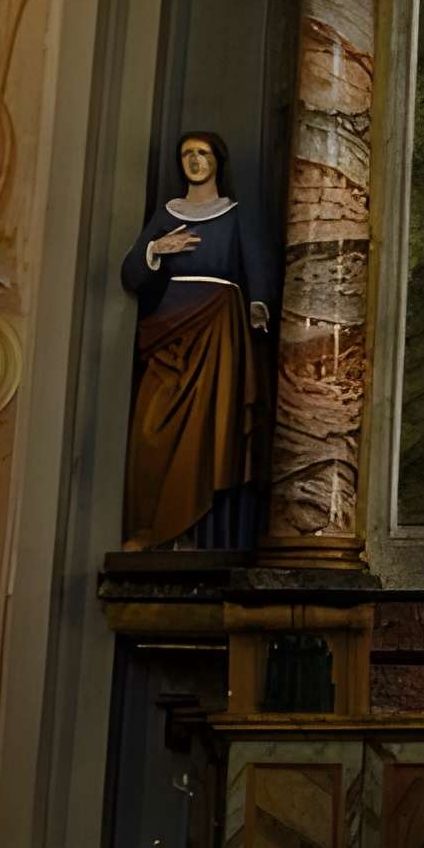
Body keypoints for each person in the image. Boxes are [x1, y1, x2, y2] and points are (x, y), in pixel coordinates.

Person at [121, 132, 274, 551]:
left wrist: (258, 303)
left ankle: (197, 531)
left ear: (217, 161)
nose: (194, 160)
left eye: (202, 153)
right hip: (169, 325)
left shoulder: (235, 214)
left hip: (217, 327)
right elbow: (132, 275)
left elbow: (256, 265)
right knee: (153, 426)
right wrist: (157, 248)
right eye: (186, 153)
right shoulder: (167, 215)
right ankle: (153, 526)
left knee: (211, 425)